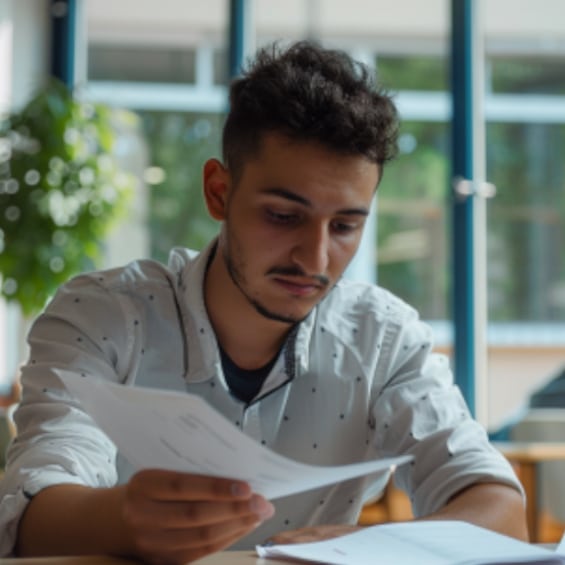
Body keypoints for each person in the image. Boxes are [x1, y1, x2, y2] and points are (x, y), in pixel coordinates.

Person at [0, 41, 527, 563]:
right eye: (282, 215)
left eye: (344, 225)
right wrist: (120, 521)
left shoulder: (384, 340)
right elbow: (29, 520)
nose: (315, 258)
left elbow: (500, 510)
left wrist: (374, 545)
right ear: (218, 192)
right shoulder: (101, 316)